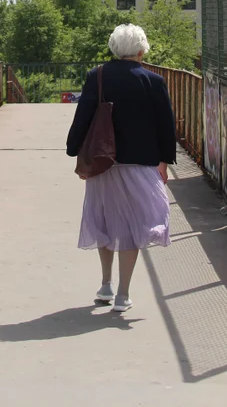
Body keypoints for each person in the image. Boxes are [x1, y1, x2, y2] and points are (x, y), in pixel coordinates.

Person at [66, 24, 176, 313]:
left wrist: (74, 148)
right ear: (141, 51)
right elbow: (166, 126)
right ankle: (123, 295)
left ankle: (105, 285)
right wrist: (164, 162)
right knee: (135, 225)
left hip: (103, 165)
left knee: (104, 221)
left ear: (114, 48)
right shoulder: (153, 81)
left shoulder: (97, 76)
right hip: (140, 165)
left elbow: (83, 117)